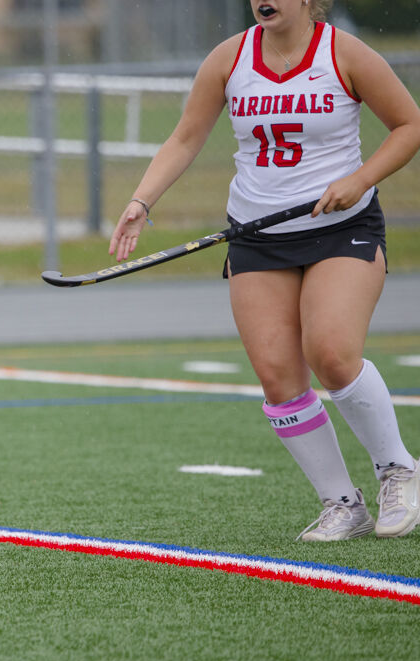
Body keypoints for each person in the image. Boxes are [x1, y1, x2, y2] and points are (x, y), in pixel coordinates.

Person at [109, 0, 420, 541]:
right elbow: (185, 137)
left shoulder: (344, 53)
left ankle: (399, 469)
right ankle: (341, 504)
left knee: (331, 351)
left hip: (339, 228)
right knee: (279, 377)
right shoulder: (228, 61)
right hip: (256, 235)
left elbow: (408, 125)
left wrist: (359, 178)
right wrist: (142, 200)